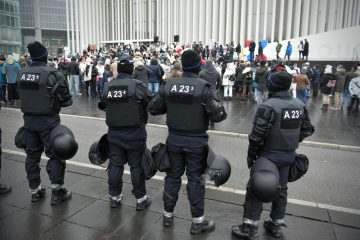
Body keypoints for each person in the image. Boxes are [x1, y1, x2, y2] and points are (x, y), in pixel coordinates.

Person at [148, 50, 227, 234]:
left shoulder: (170, 85)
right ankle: (197, 222)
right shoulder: (204, 88)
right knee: (195, 180)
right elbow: (219, 115)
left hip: (174, 141)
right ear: (199, 65)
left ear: (183, 65)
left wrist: (169, 108)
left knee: (172, 177)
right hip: (196, 143)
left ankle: (167, 216)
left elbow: (153, 108)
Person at [231, 70, 314, 240]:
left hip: (268, 156)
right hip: (288, 155)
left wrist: (251, 156)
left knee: (257, 188)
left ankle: (249, 228)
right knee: (281, 189)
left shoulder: (268, 106)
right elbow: (307, 129)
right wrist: (291, 142)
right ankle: (275, 224)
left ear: (272, 85)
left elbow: (256, 136)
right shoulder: (299, 105)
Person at [17, 41, 73, 204]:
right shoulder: (53, 74)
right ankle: (56, 192)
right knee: (55, 155)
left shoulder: (22, 73)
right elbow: (66, 101)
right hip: (49, 123)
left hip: (29, 122)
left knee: (31, 156)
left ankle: (35, 191)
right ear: (45, 56)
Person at [98, 54, 153, 209]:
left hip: (114, 133)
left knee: (115, 165)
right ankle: (140, 199)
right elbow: (151, 102)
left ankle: (114, 197)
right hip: (135, 133)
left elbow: (103, 103)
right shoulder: (138, 86)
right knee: (136, 166)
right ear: (131, 69)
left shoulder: (109, 86)